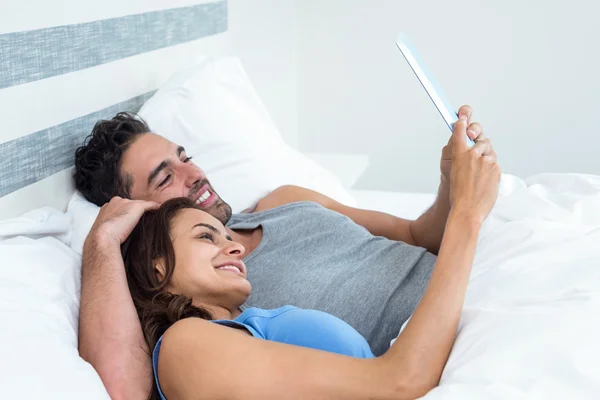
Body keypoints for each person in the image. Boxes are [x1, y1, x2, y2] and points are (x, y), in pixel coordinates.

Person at [74, 106, 499, 399]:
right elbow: (123, 384)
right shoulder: (208, 324)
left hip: (480, 275)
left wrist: (452, 186)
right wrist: (104, 242)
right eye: (166, 178)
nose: (195, 174)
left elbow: (414, 233)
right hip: (456, 326)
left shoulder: (282, 202)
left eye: (186, 158)